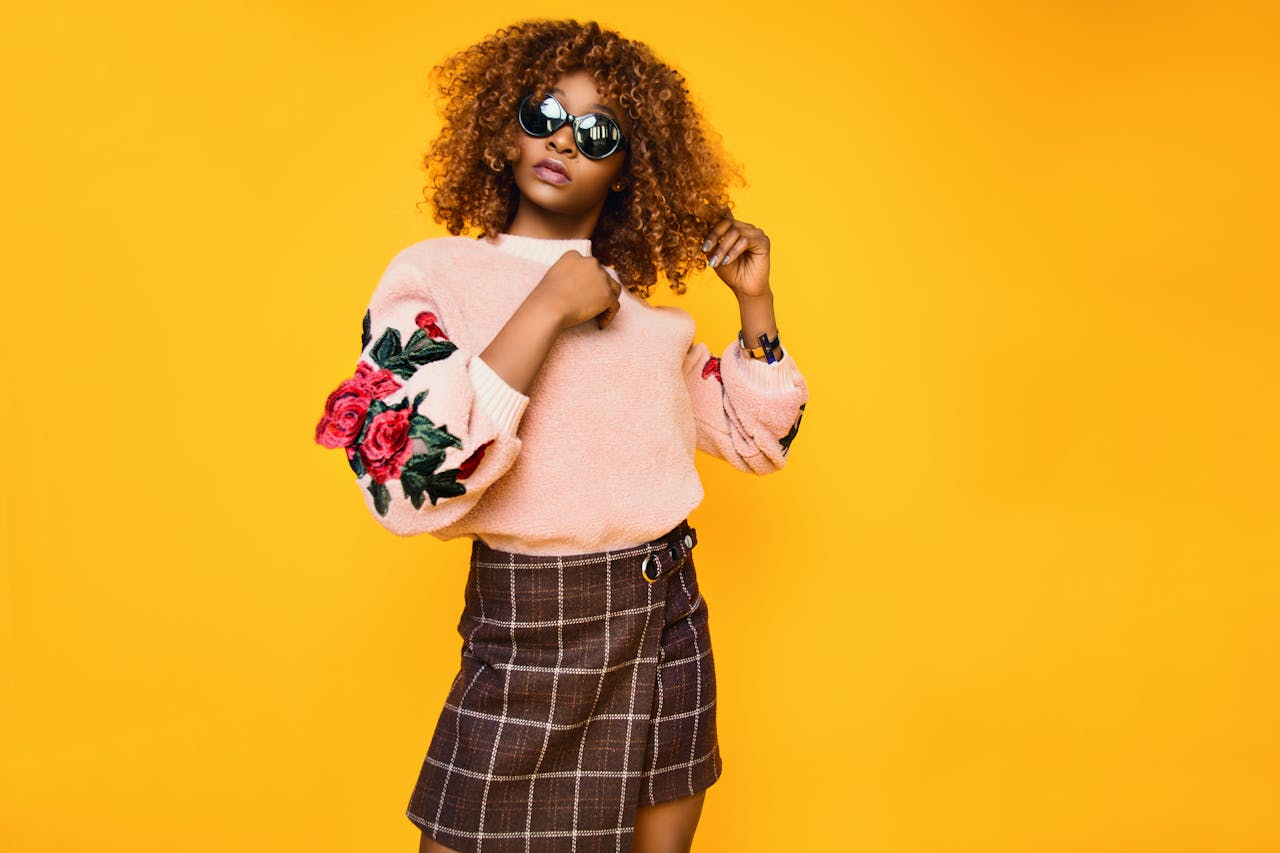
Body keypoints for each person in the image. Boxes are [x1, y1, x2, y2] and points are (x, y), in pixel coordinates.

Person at [314, 19, 808, 853]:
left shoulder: (648, 324)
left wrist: (754, 304)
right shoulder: (436, 277)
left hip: (662, 618)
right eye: (544, 112)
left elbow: (757, 439)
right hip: (527, 631)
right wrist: (547, 306)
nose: (564, 141)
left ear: (627, 172)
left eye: (598, 132)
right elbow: (413, 477)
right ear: (502, 132)